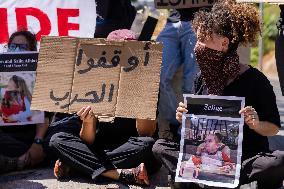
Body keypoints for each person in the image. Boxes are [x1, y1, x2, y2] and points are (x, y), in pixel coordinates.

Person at [153, 1, 284, 188]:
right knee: (160, 147)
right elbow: (193, 129)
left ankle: (204, 178)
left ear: (224, 43)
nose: (197, 47)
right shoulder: (201, 78)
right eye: (197, 39)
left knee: (278, 160)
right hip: (205, 159)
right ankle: (206, 176)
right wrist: (184, 117)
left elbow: (273, 128)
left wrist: (255, 124)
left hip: (244, 159)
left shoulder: (256, 80)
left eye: (203, 40)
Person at [50, 106, 159, 186]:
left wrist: (142, 108)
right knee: (57, 139)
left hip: (130, 151)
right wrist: (88, 121)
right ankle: (119, 174)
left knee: (149, 144)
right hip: (100, 149)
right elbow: (87, 141)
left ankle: (78, 164)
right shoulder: (99, 88)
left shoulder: (146, 85)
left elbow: (146, 133)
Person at [0, 30, 56, 174]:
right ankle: (18, 161)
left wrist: (37, 143)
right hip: (5, 138)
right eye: (13, 47)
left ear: (32, 51)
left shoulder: (42, 79)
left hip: (30, 139)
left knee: (54, 143)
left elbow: (45, 117)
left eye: (22, 47)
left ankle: (17, 160)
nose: (16, 51)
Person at [157, 4, 212, 140]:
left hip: (199, 21)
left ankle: (187, 129)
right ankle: (176, 122)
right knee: (158, 76)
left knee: (191, 82)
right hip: (173, 21)